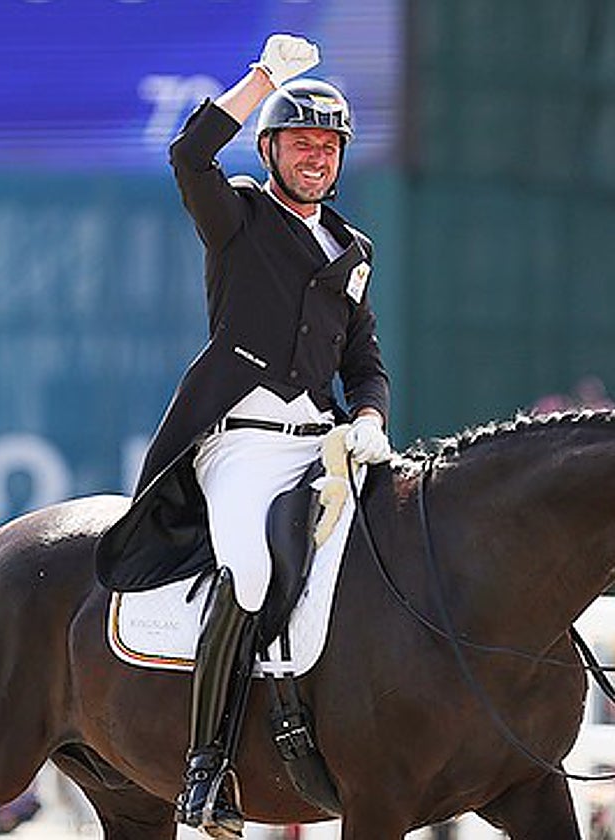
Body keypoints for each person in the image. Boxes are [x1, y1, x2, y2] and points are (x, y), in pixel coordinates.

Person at [95, 33, 392, 839]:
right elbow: (189, 155)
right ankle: (205, 766)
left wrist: (368, 420)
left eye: (329, 147)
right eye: (301, 142)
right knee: (253, 572)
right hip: (242, 442)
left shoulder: (353, 250)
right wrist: (263, 79)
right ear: (271, 149)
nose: (317, 158)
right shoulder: (240, 216)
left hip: (322, 443)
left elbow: (365, 365)